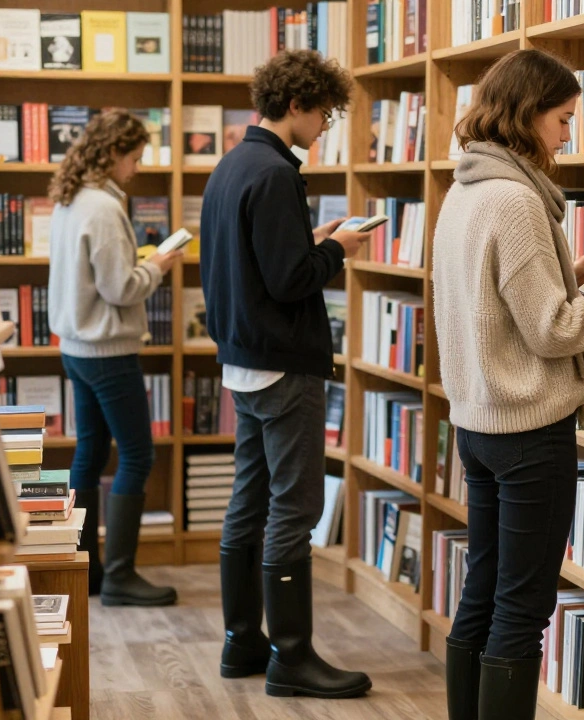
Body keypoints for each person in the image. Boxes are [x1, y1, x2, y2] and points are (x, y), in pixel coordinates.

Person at [431, 49, 584, 720]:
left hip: (478, 424)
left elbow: (496, 305)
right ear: (529, 114)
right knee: (523, 607)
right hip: (528, 431)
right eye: (564, 118)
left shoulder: (466, 189)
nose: (569, 134)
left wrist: (578, 271)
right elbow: (553, 332)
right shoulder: (515, 200)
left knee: (482, 588)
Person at [199, 49, 374, 699]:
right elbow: (290, 279)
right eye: (324, 113)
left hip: (242, 363)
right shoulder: (276, 172)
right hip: (281, 366)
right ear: (296, 105)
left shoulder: (232, 166)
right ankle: (293, 657)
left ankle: (241, 642)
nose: (326, 126)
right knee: (294, 508)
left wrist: (312, 241)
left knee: (249, 500)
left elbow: (253, 262)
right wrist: (336, 250)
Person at [47, 109, 181, 607]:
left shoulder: (70, 199)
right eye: (134, 157)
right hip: (107, 349)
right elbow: (121, 287)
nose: (138, 168)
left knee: (89, 453)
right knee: (139, 454)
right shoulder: (102, 209)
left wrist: (139, 266)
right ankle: (122, 575)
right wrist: (159, 265)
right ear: (112, 155)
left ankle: (90, 567)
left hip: (77, 347)